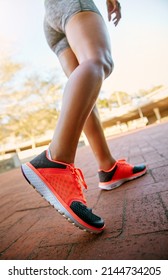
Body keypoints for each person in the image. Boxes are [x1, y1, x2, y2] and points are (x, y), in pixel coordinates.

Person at [21, 0, 146, 234]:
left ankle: (108, 167)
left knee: (85, 91)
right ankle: (56, 160)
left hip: (51, 17)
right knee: (99, 61)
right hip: (73, 4)